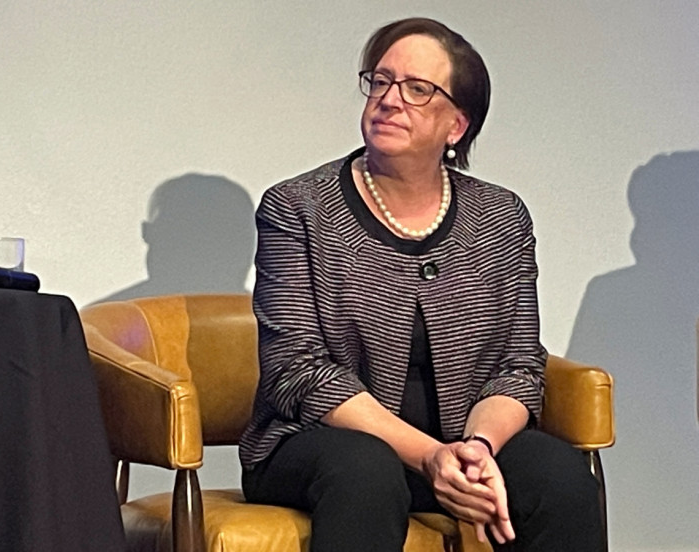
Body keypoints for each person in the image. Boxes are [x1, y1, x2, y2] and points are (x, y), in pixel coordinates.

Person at [239, 17, 603, 552]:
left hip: (459, 441)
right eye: (381, 82)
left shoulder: (499, 217)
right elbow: (298, 371)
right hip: (320, 445)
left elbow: (519, 366)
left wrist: (475, 449)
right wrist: (428, 455)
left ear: (456, 125)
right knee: (367, 470)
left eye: (416, 90)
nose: (389, 100)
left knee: (560, 477)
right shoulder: (298, 207)